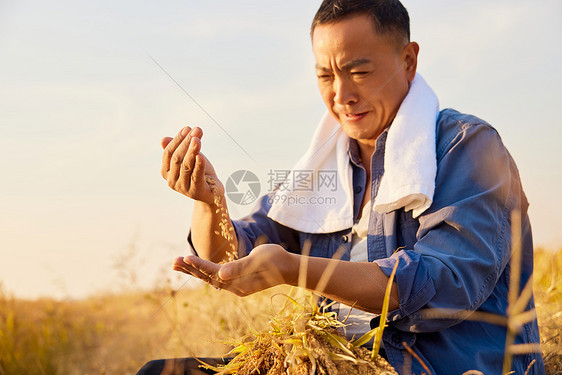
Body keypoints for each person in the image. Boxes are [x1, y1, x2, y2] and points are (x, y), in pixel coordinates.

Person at [138, 0, 545, 374]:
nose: (341, 95)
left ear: (408, 60)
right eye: (325, 75)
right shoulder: (324, 164)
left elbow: (443, 284)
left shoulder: (466, 147)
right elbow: (231, 257)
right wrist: (210, 203)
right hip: (334, 361)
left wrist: (292, 269)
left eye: (359, 72)